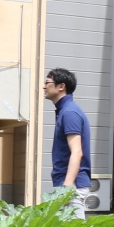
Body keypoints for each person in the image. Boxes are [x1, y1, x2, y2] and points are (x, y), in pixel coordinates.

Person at [43, 69, 92, 219]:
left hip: (72, 185)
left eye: (47, 82)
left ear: (61, 86)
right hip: (68, 184)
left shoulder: (69, 112)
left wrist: (67, 188)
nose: (44, 86)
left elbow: (77, 152)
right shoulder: (65, 111)